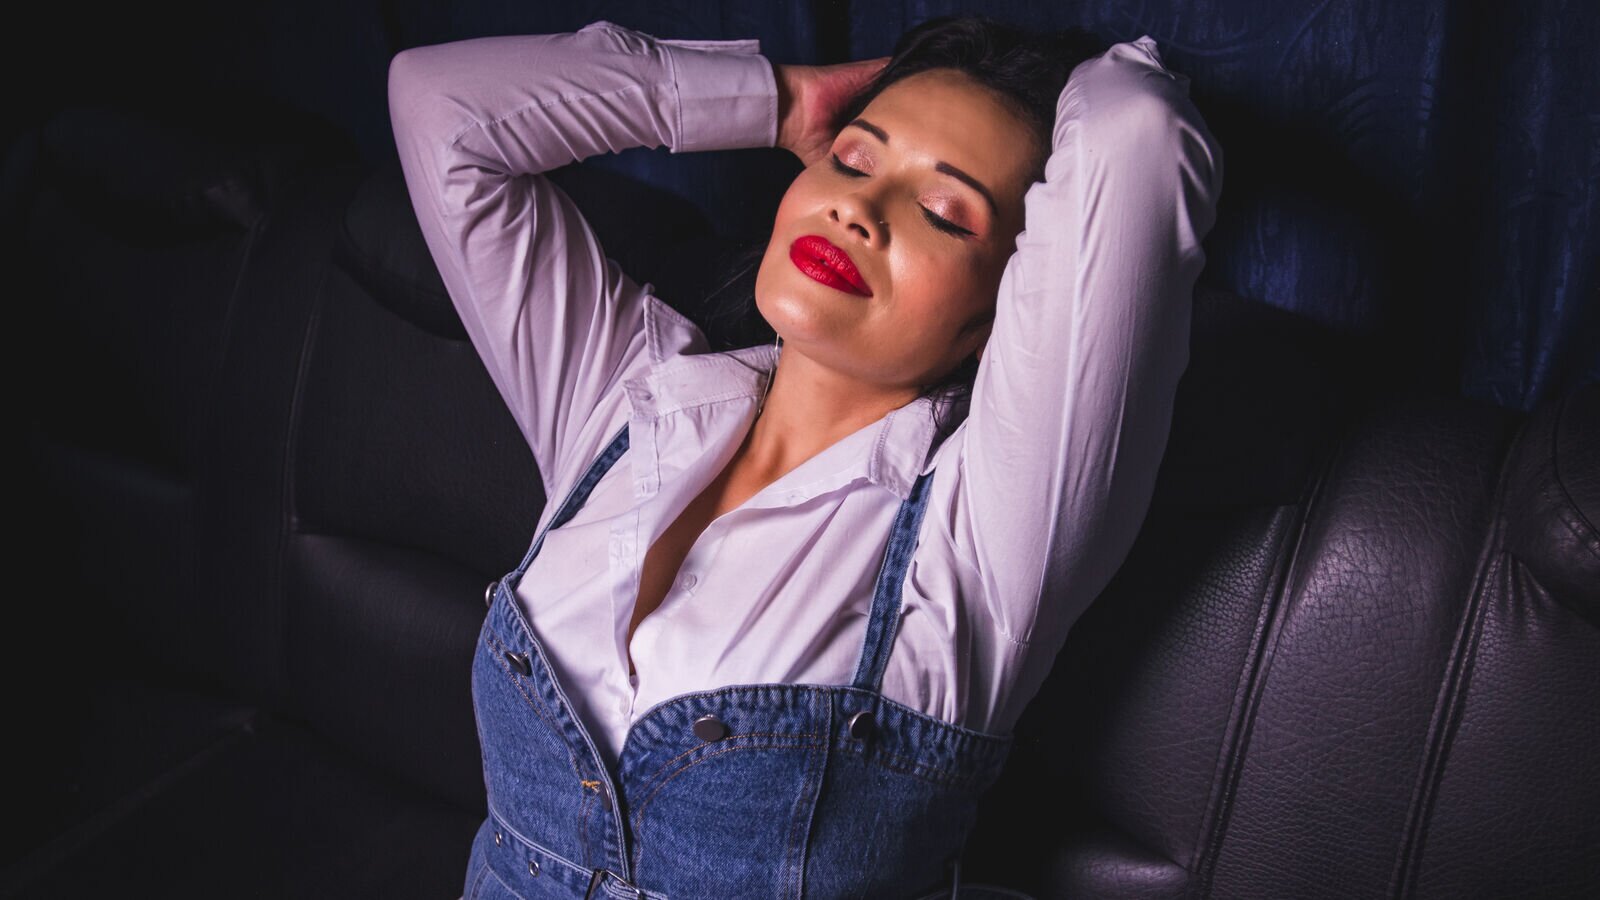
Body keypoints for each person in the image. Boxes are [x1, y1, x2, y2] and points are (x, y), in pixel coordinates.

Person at [389, 13, 1221, 898]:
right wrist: (781, 103)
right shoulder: (627, 398)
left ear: (1007, 307)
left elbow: (1136, 131)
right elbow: (440, 107)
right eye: (854, 160)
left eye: (943, 214)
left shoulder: (984, 539)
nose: (858, 209)